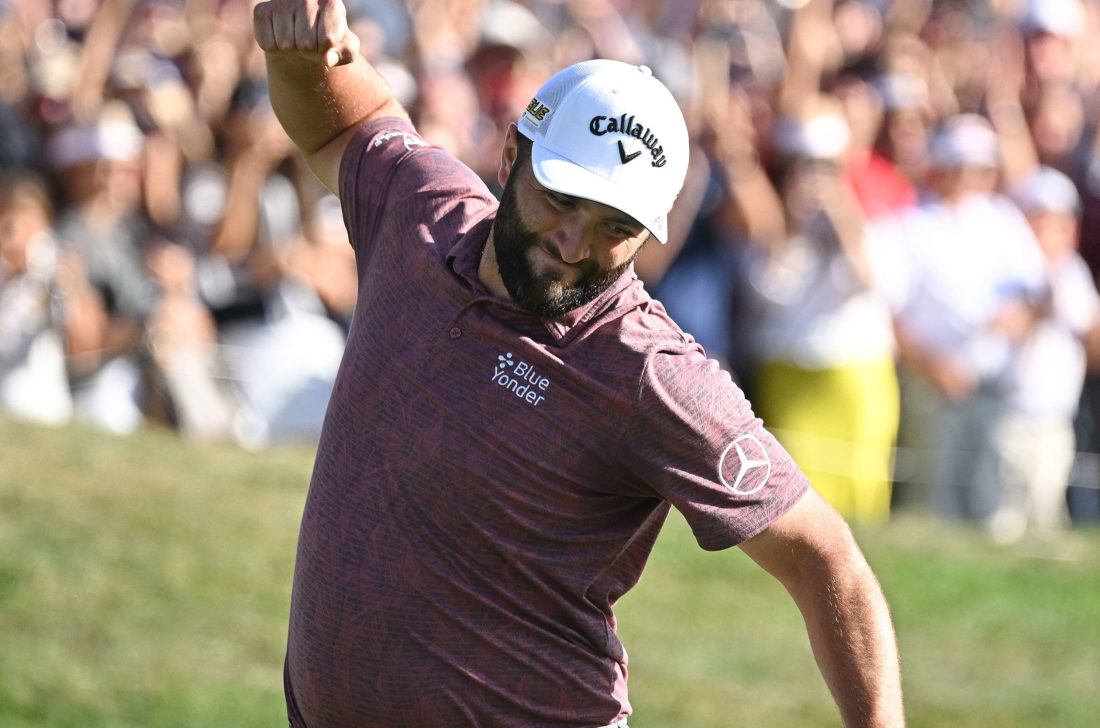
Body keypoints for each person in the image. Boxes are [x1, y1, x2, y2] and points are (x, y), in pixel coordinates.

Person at [253, 1, 904, 727]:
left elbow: (826, 558)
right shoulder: (422, 213)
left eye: (615, 228)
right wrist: (299, 52)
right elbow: (348, 122)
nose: (572, 243)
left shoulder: (648, 371)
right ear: (510, 156)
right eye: (560, 198)